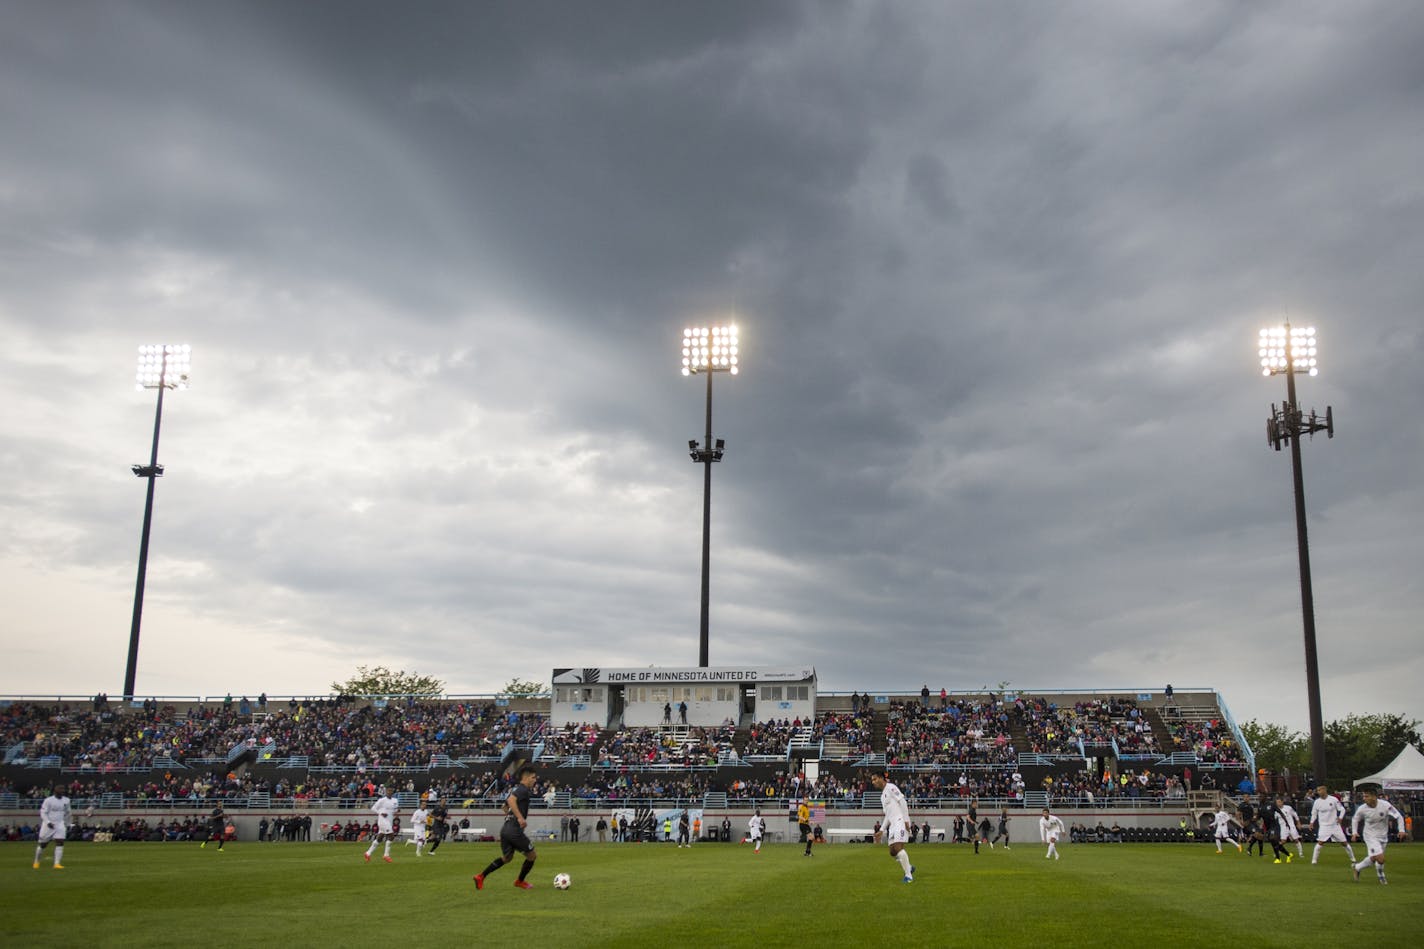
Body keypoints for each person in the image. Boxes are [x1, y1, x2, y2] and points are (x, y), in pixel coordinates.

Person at [474, 766, 540, 890]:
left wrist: (511, 817)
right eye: (533, 777)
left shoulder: (517, 789)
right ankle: (520, 881)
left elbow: (504, 807)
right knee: (532, 856)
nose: (535, 780)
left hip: (506, 829)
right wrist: (519, 818)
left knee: (507, 858)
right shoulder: (523, 789)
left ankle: (481, 876)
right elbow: (511, 800)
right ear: (525, 778)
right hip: (514, 831)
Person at [1350, 787, 1405, 884]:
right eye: (1364, 796)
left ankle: (1357, 867)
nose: (1364, 798)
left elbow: (1398, 816)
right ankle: (1381, 876)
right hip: (1370, 835)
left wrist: (1401, 830)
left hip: (1383, 836)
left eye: (1366, 796)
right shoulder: (1362, 808)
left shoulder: (1385, 805)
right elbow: (1355, 819)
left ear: (1374, 797)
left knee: (1374, 859)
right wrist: (1354, 832)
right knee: (1380, 858)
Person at [869, 771, 915, 883]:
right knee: (892, 852)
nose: (873, 782)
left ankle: (908, 876)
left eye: (875, 779)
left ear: (881, 778)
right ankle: (908, 866)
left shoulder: (891, 787)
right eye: (872, 780)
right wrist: (881, 830)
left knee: (898, 848)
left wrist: (906, 820)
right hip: (893, 824)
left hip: (900, 821)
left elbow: (903, 802)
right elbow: (888, 815)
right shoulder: (882, 797)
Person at [1308, 785, 1356, 865]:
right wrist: (1311, 822)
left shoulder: (1333, 800)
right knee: (1320, 843)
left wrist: (1340, 818)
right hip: (1324, 826)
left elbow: (1342, 809)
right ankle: (1314, 861)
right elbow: (1314, 813)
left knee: (1344, 843)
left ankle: (1353, 859)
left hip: (1335, 825)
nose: (1318, 792)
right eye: (1318, 790)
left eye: (1320, 790)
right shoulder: (1317, 802)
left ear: (1324, 790)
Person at [33, 784, 71, 870]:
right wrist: (48, 822)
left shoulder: (67, 800)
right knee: (43, 844)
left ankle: (57, 864)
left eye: (63, 789)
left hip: (60, 824)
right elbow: (43, 812)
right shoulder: (48, 800)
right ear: (55, 791)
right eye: (60, 789)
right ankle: (36, 861)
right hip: (49, 825)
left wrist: (67, 824)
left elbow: (68, 812)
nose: (62, 790)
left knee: (60, 842)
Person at [364, 786, 400, 863]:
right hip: (383, 821)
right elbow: (373, 808)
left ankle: (368, 853)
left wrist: (397, 810)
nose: (390, 792)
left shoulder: (395, 800)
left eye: (391, 791)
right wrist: (381, 813)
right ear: (386, 792)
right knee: (391, 836)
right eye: (388, 791)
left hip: (389, 821)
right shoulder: (382, 800)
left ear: (393, 792)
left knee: (380, 838)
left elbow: (394, 810)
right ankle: (386, 855)